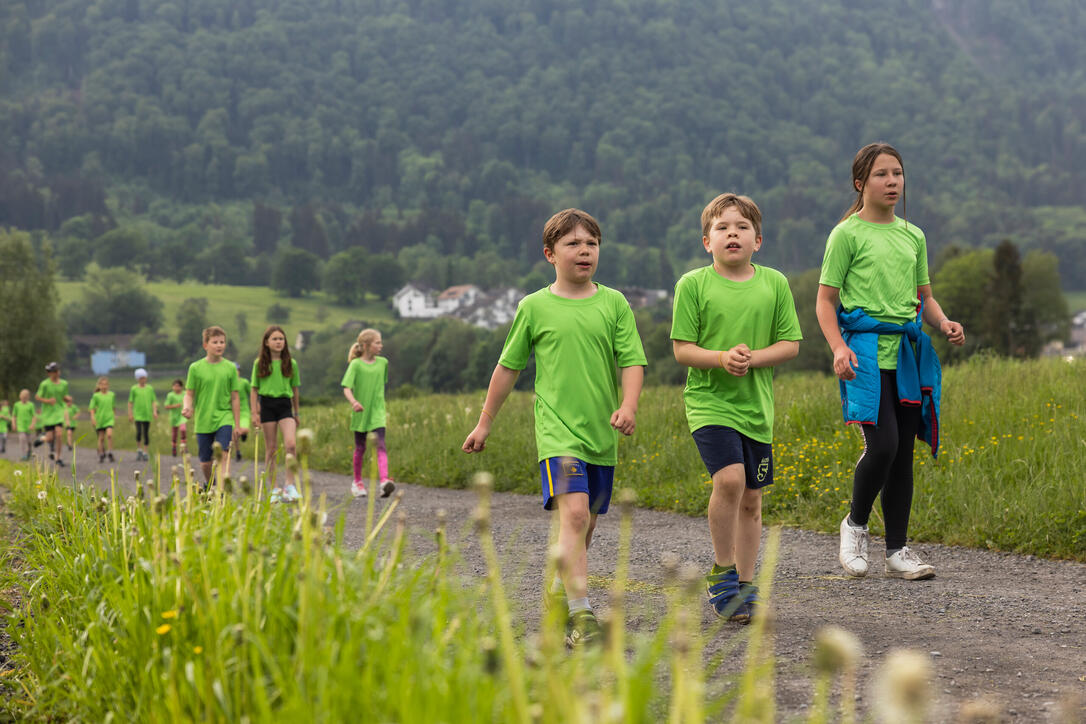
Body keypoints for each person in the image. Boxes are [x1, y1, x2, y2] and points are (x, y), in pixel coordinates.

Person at [462, 208, 646, 648]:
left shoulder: (614, 303)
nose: (584, 251)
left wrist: (628, 406)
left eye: (592, 243)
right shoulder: (534, 306)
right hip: (557, 432)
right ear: (550, 253)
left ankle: (558, 591)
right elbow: (508, 368)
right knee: (576, 514)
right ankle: (581, 617)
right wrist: (485, 423)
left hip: (601, 434)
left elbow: (632, 361)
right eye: (573, 244)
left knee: (588, 524)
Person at [815, 142, 966, 581]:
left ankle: (898, 550)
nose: (893, 182)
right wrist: (838, 348)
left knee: (903, 458)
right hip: (863, 355)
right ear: (861, 183)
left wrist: (943, 322)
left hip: (907, 354)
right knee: (883, 447)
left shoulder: (912, 235)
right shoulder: (846, 234)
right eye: (882, 174)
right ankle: (855, 525)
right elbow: (825, 302)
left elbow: (925, 298)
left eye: (897, 173)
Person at [671, 193, 802, 623]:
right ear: (705, 241)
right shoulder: (693, 285)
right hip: (709, 403)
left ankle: (747, 586)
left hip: (756, 408)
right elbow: (683, 350)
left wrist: (752, 359)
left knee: (752, 498)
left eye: (742, 227)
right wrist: (721, 358)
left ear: (758, 240)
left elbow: (790, 345)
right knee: (729, 480)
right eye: (722, 228)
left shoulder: (775, 283)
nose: (732, 234)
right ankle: (722, 573)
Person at [182, 326, 241, 487]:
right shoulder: (195, 368)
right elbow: (189, 394)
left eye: (222, 342)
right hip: (203, 419)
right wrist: (187, 407)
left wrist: (237, 424)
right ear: (205, 345)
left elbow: (235, 397)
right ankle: (210, 484)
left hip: (224, 417)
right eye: (215, 342)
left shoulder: (230, 368)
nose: (219, 345)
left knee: (223, 454)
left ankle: (221, 491)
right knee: (205, 463)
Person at [340, 329, 394, 500]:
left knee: (381, 445)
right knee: (361, 448)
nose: (381, 345)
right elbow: (346, 387)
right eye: (377, 342)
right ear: (366, 345)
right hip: (360, 412)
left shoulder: (383, 363)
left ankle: (384, 481)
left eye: (380, 342)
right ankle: (357, 483)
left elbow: (380, 385)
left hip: (377, 412)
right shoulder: (355, 364)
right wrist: (354, 402)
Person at [251, 325, 300, 503]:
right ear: (266, 342)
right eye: (275, 339)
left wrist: (297, 411)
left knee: (291, 444)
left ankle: (290, 485)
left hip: (285, 405)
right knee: (271, 449)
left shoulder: (291, 363)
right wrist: (254, 412)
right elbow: (254, 390)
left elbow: (295, 389)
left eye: (281, 339)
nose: (279, 342)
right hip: (267, 405)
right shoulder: (260, 363)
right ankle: (273, 488)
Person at [35, 362, 71, 467]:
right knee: (50, 438)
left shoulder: (64, 384)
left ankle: (58, 458)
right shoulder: (44, 384)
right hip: (48, 413)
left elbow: (63, 396)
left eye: (55, 371)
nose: (53, 373)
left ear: (58, 372)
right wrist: (48, 400)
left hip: (59, 411)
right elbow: (38, 397)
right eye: (50, 372)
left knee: (59, 434)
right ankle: (42, 438)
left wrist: (67, 399)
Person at [128, 368, 158, 461]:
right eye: (141, 378)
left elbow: (153, 401)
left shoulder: (150, 388)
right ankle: (139, 449)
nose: (143, 380)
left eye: (144, 378)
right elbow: (130, 402)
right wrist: (130, 413)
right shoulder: (134, 389)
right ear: (137, 379)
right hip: (138, 414)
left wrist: (155, 411)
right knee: (139, 432)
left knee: (146, 433)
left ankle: (145, 451)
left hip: (147, 414)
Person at [88, 376, 116, 463]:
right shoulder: (96, 396)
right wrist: (93, 418)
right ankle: (101, 453)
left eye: (106, 384)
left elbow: (113, 407)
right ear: (99, 386)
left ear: (108, 385)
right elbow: (92, 408)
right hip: (100, 419)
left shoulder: (112, 395)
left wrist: (114, 416)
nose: (104, 386)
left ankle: (110, 452)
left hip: (109, 418)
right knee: (101, 438)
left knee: (109, 435)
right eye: (102, 384)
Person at [163, 379, 187, 457]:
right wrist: (175, 406)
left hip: (182, 415)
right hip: (174, 416)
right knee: (175, 433)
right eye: (174, 386)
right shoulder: (170, 395)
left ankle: (184, 446)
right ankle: (174, 447)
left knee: (183, 430)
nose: (176, 388)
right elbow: (166, 406)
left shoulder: (185, 394)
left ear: (181, 387)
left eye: (178, 386)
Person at [234, 363, 252, 464]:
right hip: (232, 411)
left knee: (244, 430)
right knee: (235, 433)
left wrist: (256, 407)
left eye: (237, 370)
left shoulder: (244, 382)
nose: (236, 372)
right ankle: (238, 452)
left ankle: (244, 434)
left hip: (244, 410)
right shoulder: (228, 383)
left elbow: (251, 393)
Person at [12, 390, 36, 461]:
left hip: (29, 426)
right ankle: (23, 455)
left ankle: (29, 451)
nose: (24, 399)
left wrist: (32, 424)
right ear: (20, 397)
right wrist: (14, 424)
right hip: (20, 425)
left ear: (28, 397)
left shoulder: (31, 405)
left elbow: (34, 416)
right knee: (22, 439)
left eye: (25, 398)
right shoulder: (17, 405)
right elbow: (14, 416)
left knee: (29, 441)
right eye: (22, 397)